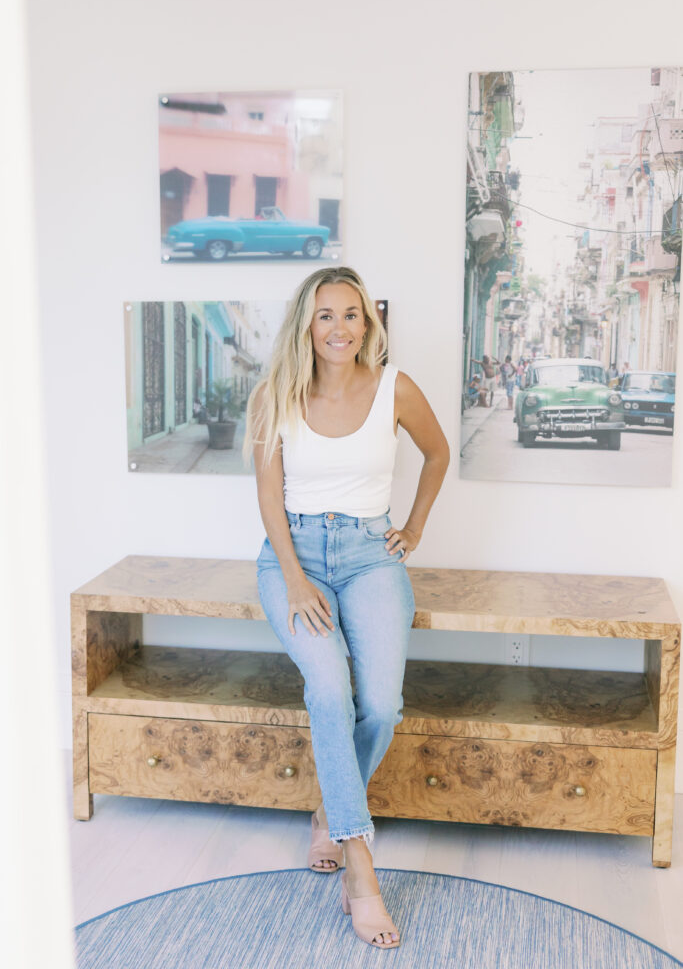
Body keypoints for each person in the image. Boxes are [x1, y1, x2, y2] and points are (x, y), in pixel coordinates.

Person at [243, 267, 449, 949]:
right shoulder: (273, 394)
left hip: (369, 555)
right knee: (328, 688)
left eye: (352, 315)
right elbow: (269, 498)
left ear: (369, 323)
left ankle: (330, 808)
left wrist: (412, 528)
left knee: (382, 705)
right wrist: (297, 581)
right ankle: (358, 863)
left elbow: (437, 452)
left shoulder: (396, 388)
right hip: (293, 555)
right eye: (326, 315)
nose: (340, 328)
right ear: (306, 323)